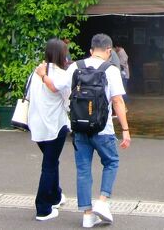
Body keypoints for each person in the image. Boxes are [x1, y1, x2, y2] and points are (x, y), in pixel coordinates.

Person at [65, 33, 131, 228]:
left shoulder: (74, 67)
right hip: (103, 129)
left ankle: (87, 215)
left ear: (91, 50)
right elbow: (117, 101)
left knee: (83, 169)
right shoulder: (110, 70)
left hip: (79, 128)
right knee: (111, 162)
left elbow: (66, 94)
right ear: (109, 51)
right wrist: (125, 130)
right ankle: (102, 201)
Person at [28, 38, 71, 221]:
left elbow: (29, 95)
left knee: (51, 162)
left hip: (36, 126)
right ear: (62, 54)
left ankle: (56, 195)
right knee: (49, 165)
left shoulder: (36, 72)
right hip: (55, 126)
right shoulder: (62, 75)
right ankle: (43, 208)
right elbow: (68, 101)